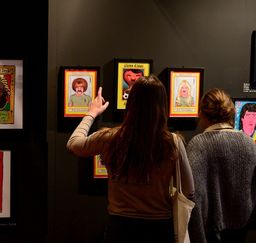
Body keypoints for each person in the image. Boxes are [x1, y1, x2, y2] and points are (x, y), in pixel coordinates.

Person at [67, 75, 194, 243]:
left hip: (120, 227)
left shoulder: (110, 137)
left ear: (131, 103)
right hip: (159, 228)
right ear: (162, 105)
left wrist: (91, 113)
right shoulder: (173, 142)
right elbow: (189, 189)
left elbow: (74, 144)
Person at [187, 88, 256, 243]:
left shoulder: (199, 144)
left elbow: (193, 196)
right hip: (242, 229)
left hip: (209, 231)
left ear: (203, 114)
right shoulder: (250, 144)